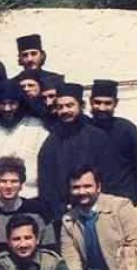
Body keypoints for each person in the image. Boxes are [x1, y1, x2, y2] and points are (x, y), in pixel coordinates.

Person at [37, 83, 114, 219]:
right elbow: (46, 183)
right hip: (64, 214)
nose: (65, 110)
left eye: (69, 105)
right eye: (60, 107)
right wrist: (58, 210)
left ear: (81, 106)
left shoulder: (98, 137)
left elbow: (109, 176)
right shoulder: (51, 141)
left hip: (97, 211)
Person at [89, 79, 137, 205]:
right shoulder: (84, 128)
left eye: (107, 103)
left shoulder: (126, 128)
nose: (102, 108)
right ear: (91, 102)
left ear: (115, 103)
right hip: (90, 199)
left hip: (121, 198)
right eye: (97, 102)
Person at [0, 80, 48, 198]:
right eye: (2, 104)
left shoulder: (37, 127)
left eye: (12, 103)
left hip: (30, 194)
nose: (7, 108)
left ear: (20, 103)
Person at [0, 156, 56, 254]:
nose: (8, 186)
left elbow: (49, 249)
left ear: (21, 184)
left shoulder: (38, 210)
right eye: (3, 181)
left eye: (14, 181)